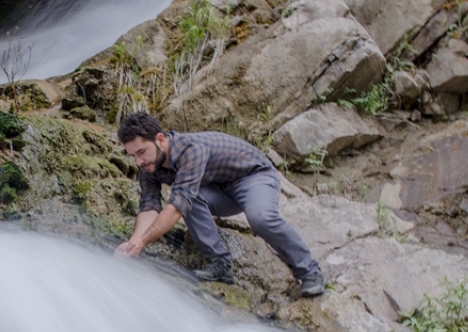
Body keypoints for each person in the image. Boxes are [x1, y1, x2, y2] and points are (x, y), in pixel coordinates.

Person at [113, 111, 325, 297]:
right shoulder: (148, 167)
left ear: (160, 139)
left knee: (260, 218)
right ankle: (220, 264)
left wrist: (144, 242)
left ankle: (309, 271)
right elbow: (149, 207)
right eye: (133, 156)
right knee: (189, 197)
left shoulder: (190, 149)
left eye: (141, 152)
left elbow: (176, 207)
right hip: (218, 190)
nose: (138, 162)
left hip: (252, 177)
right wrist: (133, 243)